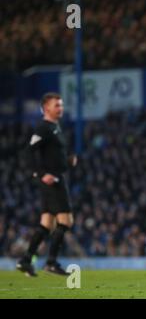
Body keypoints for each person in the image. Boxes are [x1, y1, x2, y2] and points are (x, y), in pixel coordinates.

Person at [16, 92, 77, 277]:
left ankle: (26, 261)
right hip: (53, 182)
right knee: (66, 221)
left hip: (56, 177)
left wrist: (67, 162)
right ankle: (51, 262)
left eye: (61, 105)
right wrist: (40, 174)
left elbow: (52, 156)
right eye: (57, 105)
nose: (61, 108)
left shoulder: (55, 127)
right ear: (46, 108)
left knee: (46, 225)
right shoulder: (43, 128)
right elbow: (27, 152)